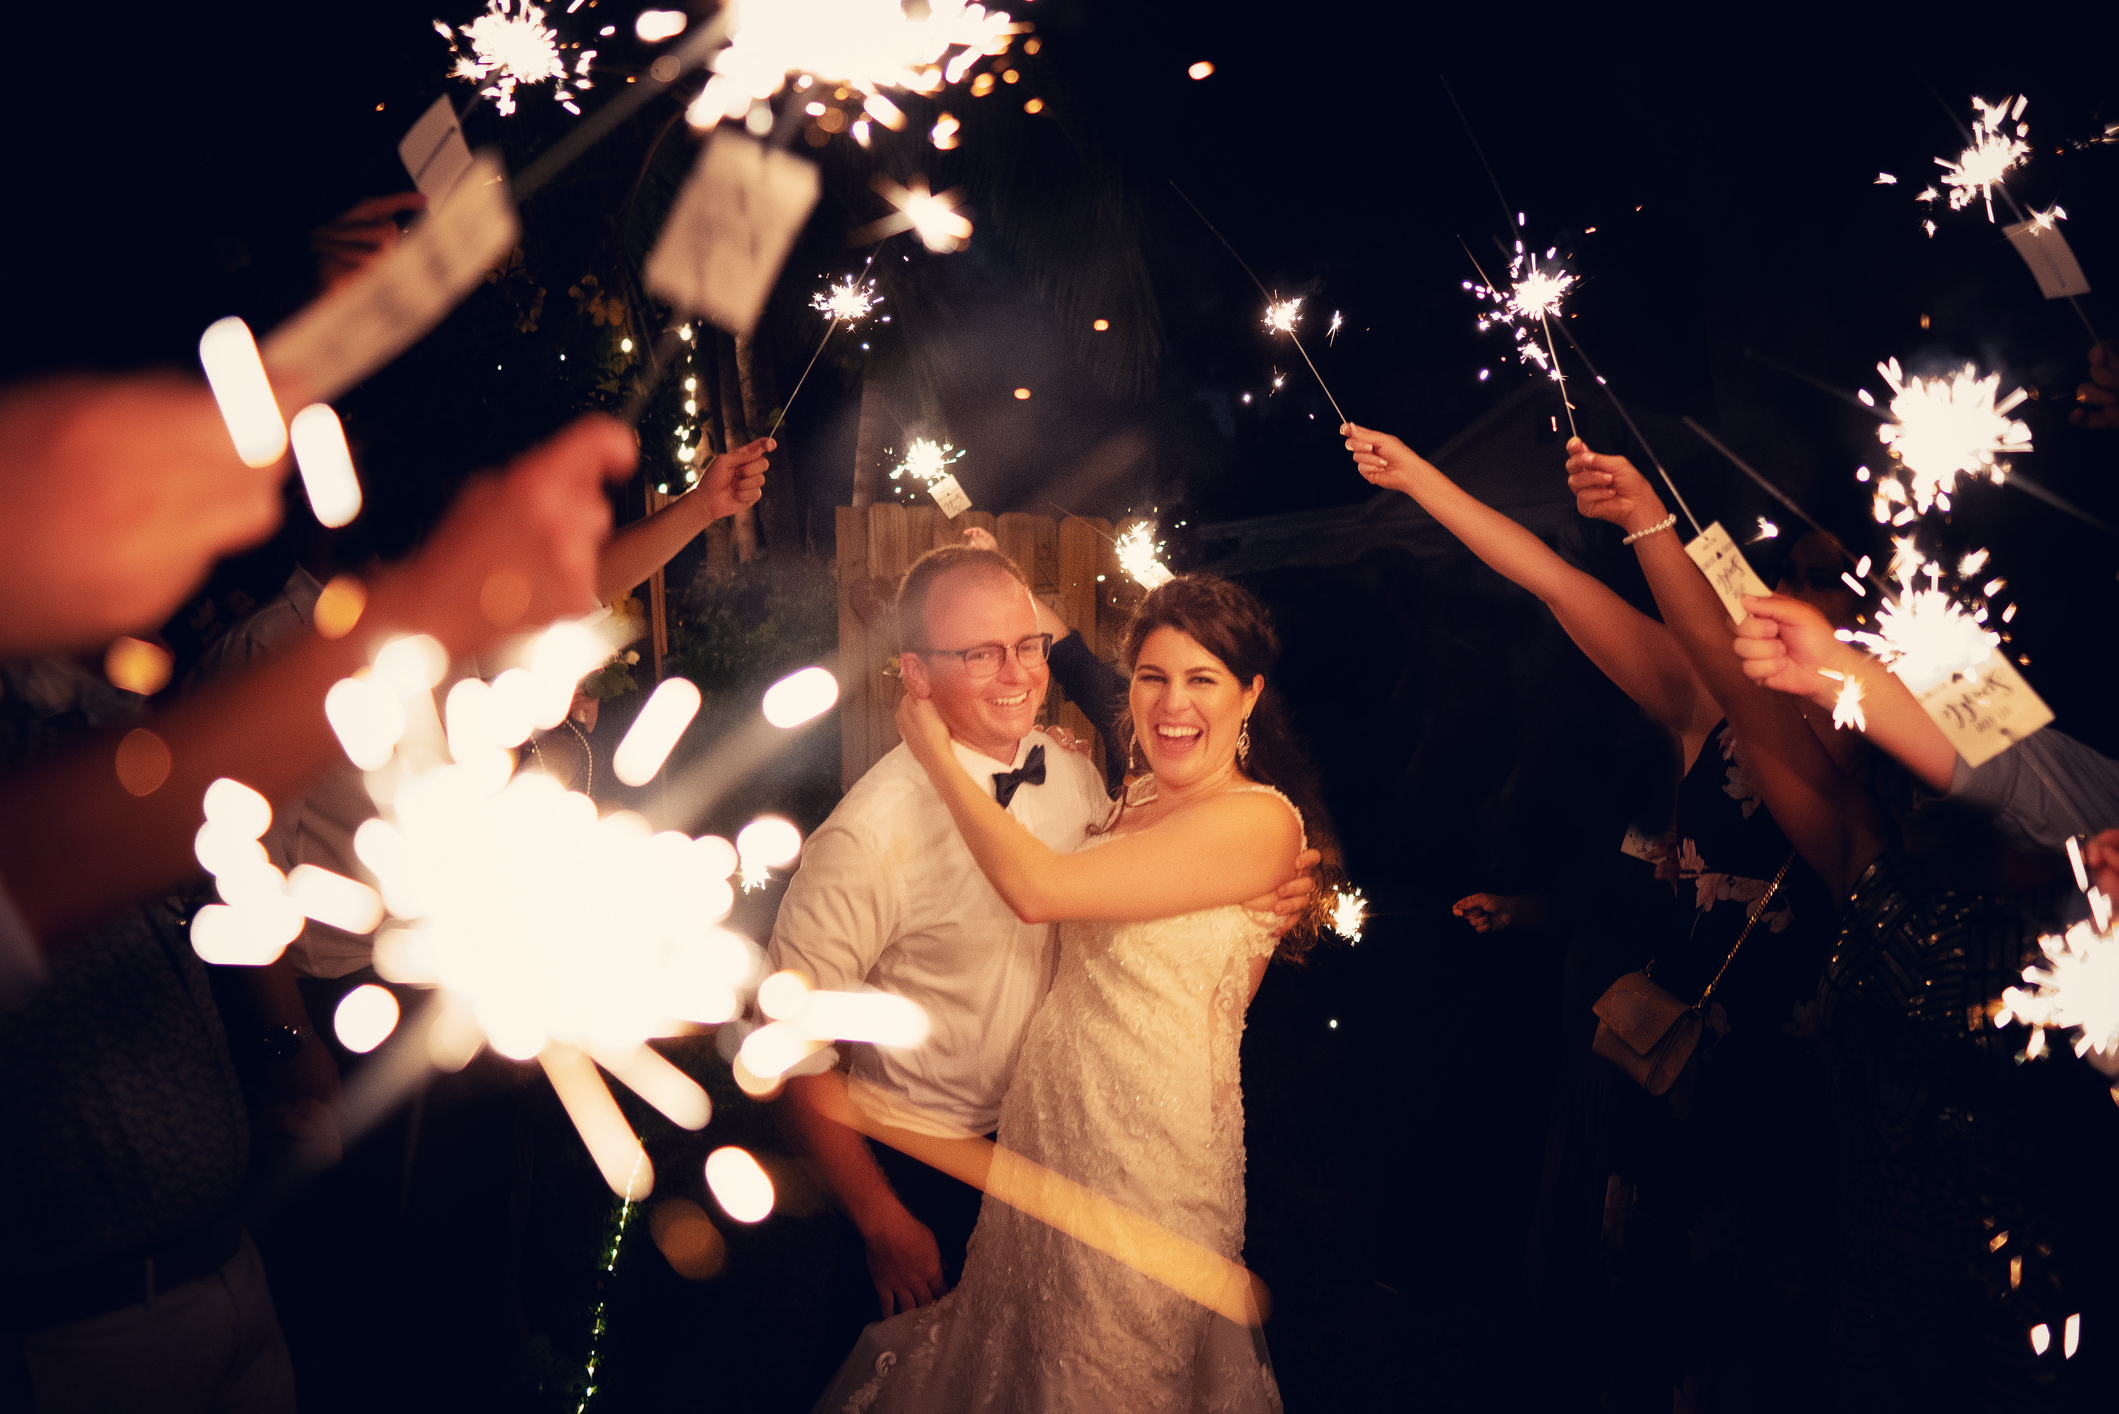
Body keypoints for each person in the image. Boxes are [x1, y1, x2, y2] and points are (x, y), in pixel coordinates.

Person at [1565, 435, 2103, 1405]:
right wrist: (1647, 519)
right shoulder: (1887, 886)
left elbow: (2034, 774)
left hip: (2037, 1335)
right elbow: (1737, 686)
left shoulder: (2081, 951)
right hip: (1870, 1311)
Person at [1342, 423, 1840, 1404]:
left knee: (1771, 1333)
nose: (1788, 588)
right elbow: (1555, 582)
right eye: (1787, 568)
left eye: (1819, 575)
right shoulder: (1707, 703)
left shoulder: (1883, 756)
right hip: (1672, 1067)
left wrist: (1650, 519)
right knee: (1648, 1313)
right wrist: (1418, 477)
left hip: (1795, 1085)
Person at [810, 572, 1328, 1413]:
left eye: (1203, 680)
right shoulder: (1125, 794)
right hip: (1046, 1141)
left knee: (1108, 1377)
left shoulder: (1260, 822)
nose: (1172, 703)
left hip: (1148, 1163)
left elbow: (1040, 892)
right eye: (1153, 677)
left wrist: (934, 752)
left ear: (1250, 694)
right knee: (1014, 1364)